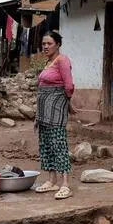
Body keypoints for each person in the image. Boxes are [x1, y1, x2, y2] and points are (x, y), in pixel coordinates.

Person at [34, 30, 75, 199]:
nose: (45, 46)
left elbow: (69, 86)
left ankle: (65, 184)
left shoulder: (62, 60)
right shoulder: (48, 62)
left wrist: (67, 103)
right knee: (46, 144)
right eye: (44, 44)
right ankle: (52, 180)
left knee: (58, 143)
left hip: (56, 110)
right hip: (44, 112)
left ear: (57, 44)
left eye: (49, 43)